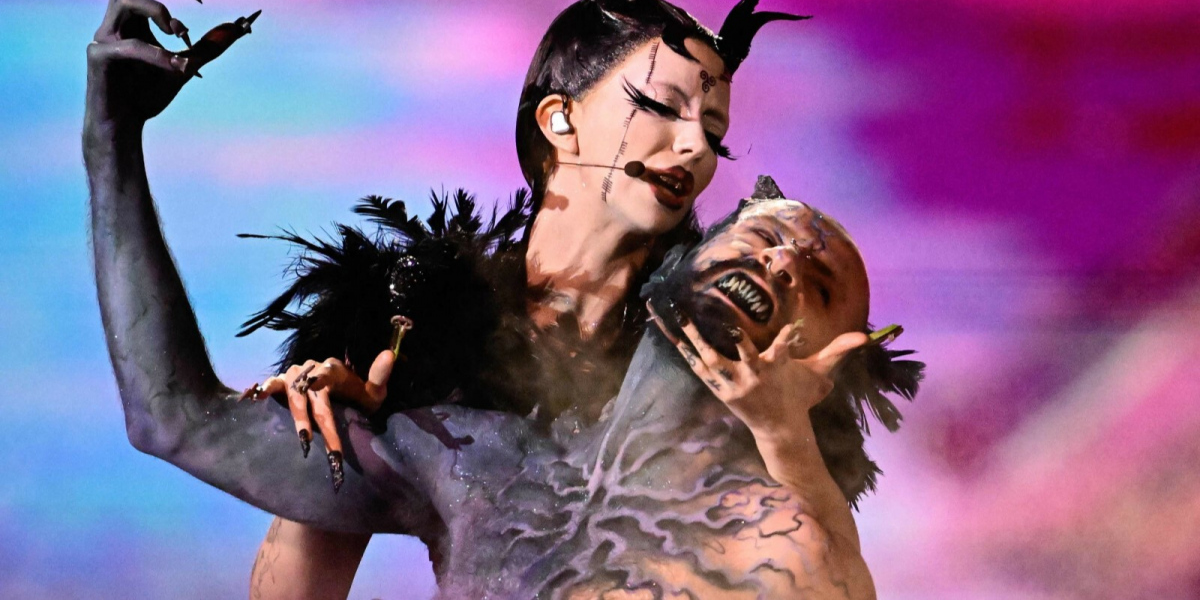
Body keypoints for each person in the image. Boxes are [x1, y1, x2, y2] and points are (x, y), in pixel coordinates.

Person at [225, 0, 819, 598]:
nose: (696, 147)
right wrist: (323, 448)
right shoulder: (410, 321)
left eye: (715, 131)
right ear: (559, 119)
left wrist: (786, 437)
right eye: (661, 107)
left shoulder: (722, 343)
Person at [89, 141, 919, 597]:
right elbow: (172, 416)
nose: (781, 263)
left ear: (826, 367)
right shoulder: (477, 456)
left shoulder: (778, 535)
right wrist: (112, 140)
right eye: (763, 237)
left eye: (817, 284)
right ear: (688, 254)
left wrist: (784, 438)